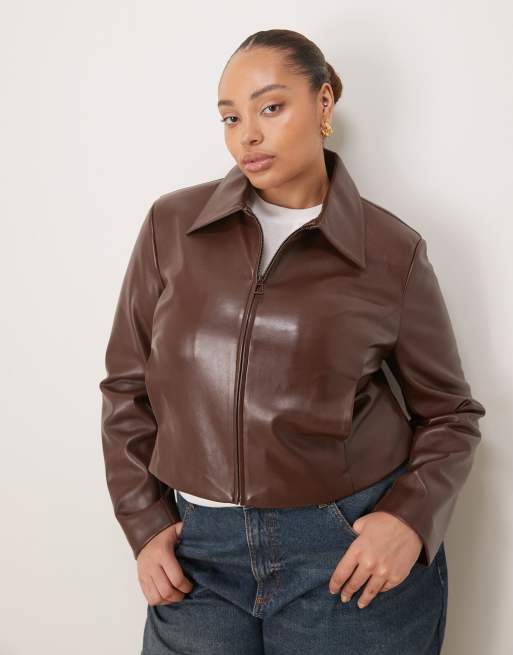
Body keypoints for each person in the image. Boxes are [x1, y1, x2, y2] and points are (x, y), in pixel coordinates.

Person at [99, 28, 486, 654]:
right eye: (231, 117)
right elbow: (126, 387)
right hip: (196, 555)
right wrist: (144, 523)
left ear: (324, 103)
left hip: (344, 553)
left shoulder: (390, 251)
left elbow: (450, 413)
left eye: (271, 107)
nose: (246, 135)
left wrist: (409, 519)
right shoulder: (173, 227)